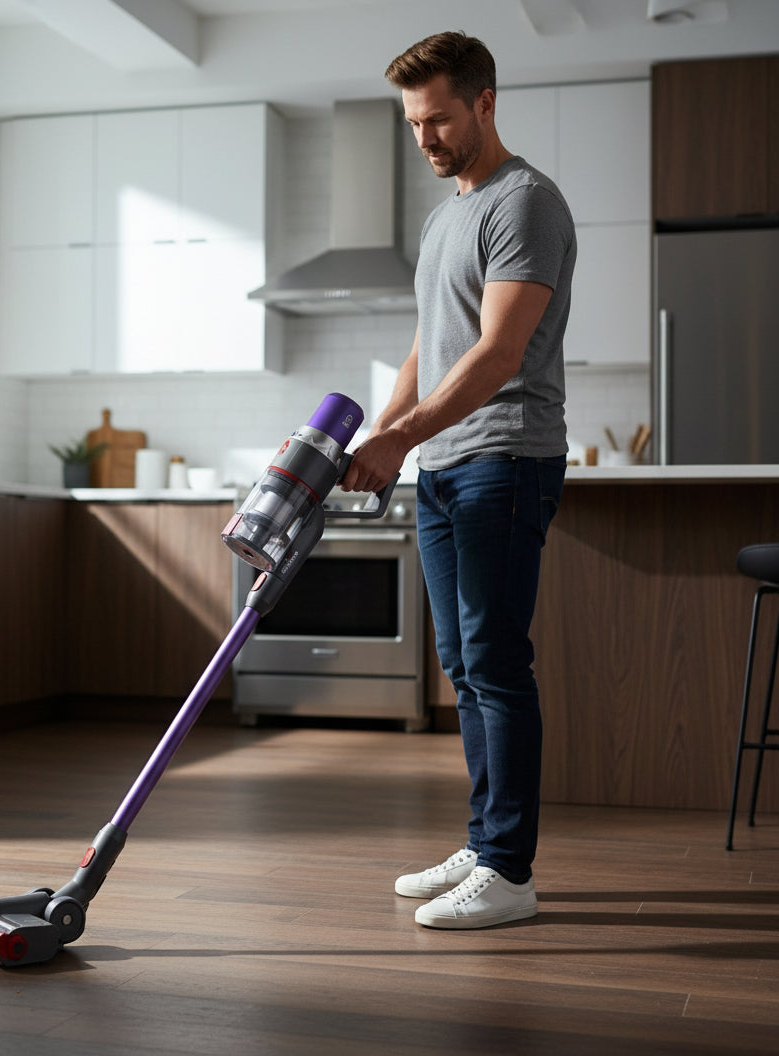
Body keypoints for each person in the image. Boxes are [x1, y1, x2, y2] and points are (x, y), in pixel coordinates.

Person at [342, 31, 576, 929]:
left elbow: (497, 354)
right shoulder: (447, 217)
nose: (426, 139)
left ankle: (510, 871)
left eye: (438, 119)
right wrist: (378, 435)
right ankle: (484, 846)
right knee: (462, 666)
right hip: (442, 465)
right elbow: (425, 347)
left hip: (503, 458)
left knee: (495, 663)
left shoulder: (525, 204)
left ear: (484, 102)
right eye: (413, 125)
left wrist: (400, 436)